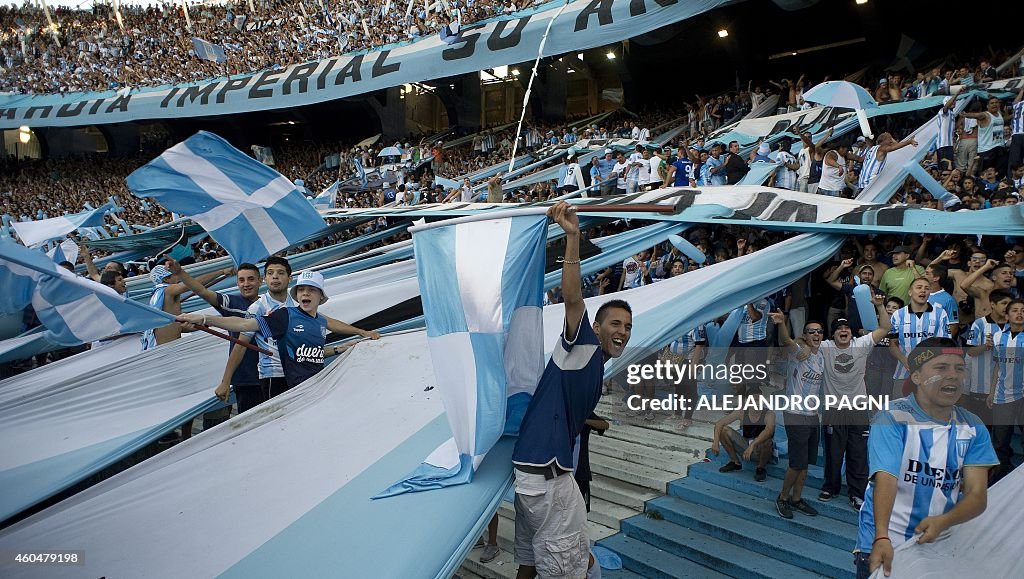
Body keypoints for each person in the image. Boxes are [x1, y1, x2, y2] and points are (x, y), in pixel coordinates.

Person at [512, 201, 630, 579]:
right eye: (615, 323)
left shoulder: (596, 367)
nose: (622, 331)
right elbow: (573, 298)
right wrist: (573, 237)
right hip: (549, 477)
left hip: (533, 476)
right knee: (576, 571)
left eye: (628, 327)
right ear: (596, 327)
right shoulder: (584, 346)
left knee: (530, 564)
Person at [854, 337, 997, 579]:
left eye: (959, 368)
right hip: (884, 542)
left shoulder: (974, 427)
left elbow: (977, 495)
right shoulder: (892, 417)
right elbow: (885, 479)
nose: (953, 375)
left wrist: (945, 520)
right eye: (941, 368)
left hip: (937, 545)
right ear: (917, 376)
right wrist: (881, 536)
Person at [178, 270, 379, 390]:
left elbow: (308, 353)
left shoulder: (319, 322)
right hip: (287, 388)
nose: (305, 293)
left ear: (320, 297)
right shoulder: (285, 316)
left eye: (311, 290)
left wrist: (343, 346)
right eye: (301, 290)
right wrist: (204, 319)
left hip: (316, 383)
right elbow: (244, 325)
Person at [816, 301, 891, 511]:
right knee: (833, 452)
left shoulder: (861, 344)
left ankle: (857, 493)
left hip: (858, 409)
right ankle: (830, 487)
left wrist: (880, 307)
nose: (843, 330)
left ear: (851, 332)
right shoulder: (826, 347)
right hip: (833, 409)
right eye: (839, 328)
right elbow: (803, 343)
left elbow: (885, 328)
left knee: (857, 453)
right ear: (832, 334)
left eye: (846, 327)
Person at [167, 259, 266, 415]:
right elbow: (202, 292)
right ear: (237, 283)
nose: (246, 284)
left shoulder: (269, 305)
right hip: (246, 378)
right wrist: (180, 273)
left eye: (251, 279)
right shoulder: (232, 302)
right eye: (241, 280)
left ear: (260, 281)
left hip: (272, 375)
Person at [769, 312, 824, 520]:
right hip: (795, 413)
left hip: (812, 416)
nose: (816, 335)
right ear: (805, 335)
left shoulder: (822, 354)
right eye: (811, 332)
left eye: (819, 331)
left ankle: (797, 498)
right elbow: (786, 340)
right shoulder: (798, 351)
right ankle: (783, 497)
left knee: (806, 463)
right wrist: (782, 323)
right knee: (795, 463)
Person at [888, 278, 951, 398]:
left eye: (927, 288)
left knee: (930, 413)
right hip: (903, 373)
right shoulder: (898, 315)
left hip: (932, 375)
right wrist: (905, 361)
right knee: (901, 413)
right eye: (919, 287)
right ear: (910, 292)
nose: (923, 291)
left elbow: (945, 344)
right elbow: (892, 344)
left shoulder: (940, 313)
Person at [987, 298, 1024, 482]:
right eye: (1015, 310)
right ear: (1007, 315)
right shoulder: (998, 337)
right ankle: (1000, 482)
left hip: (1022, 397)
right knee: (1000, 444)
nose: (1019, 313)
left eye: (1022, 310)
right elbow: (997, 366)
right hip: (1002, 397)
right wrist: (992, 391)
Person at [962, 289, 1012, 423]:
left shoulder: (1014, 326)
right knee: (983, 424)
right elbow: (970, 352)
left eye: (1010, 304)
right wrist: (985, 346)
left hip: (1007, 386)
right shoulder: (979, 324)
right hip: (981, 385)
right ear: (993, 304)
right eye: (1004, 303)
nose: (1007, 307)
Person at [711, 383, 776, 482]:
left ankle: (761, 468)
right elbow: (719, 423)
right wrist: (715, 443)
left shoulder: (769, 414)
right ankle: (735, 462)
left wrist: (752, 446)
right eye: (754, 400)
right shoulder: (742, 412)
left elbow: (769, 431)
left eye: (759, 400)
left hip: (763, 451)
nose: (758, 403)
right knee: (724, 430)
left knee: (767, 441)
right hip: (746, 447)